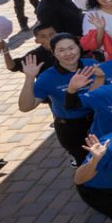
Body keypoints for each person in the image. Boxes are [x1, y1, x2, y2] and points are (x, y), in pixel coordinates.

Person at [18, 34, 98, 164]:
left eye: (71, 48)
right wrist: (29, 78)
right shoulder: (47, 77)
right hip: (72, 128)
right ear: (54, 53)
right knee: (86, 163)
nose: (68, 53)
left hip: (97, 120)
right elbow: (25, 107)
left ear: (79, 48)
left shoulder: (92, 65)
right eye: (61, 50)